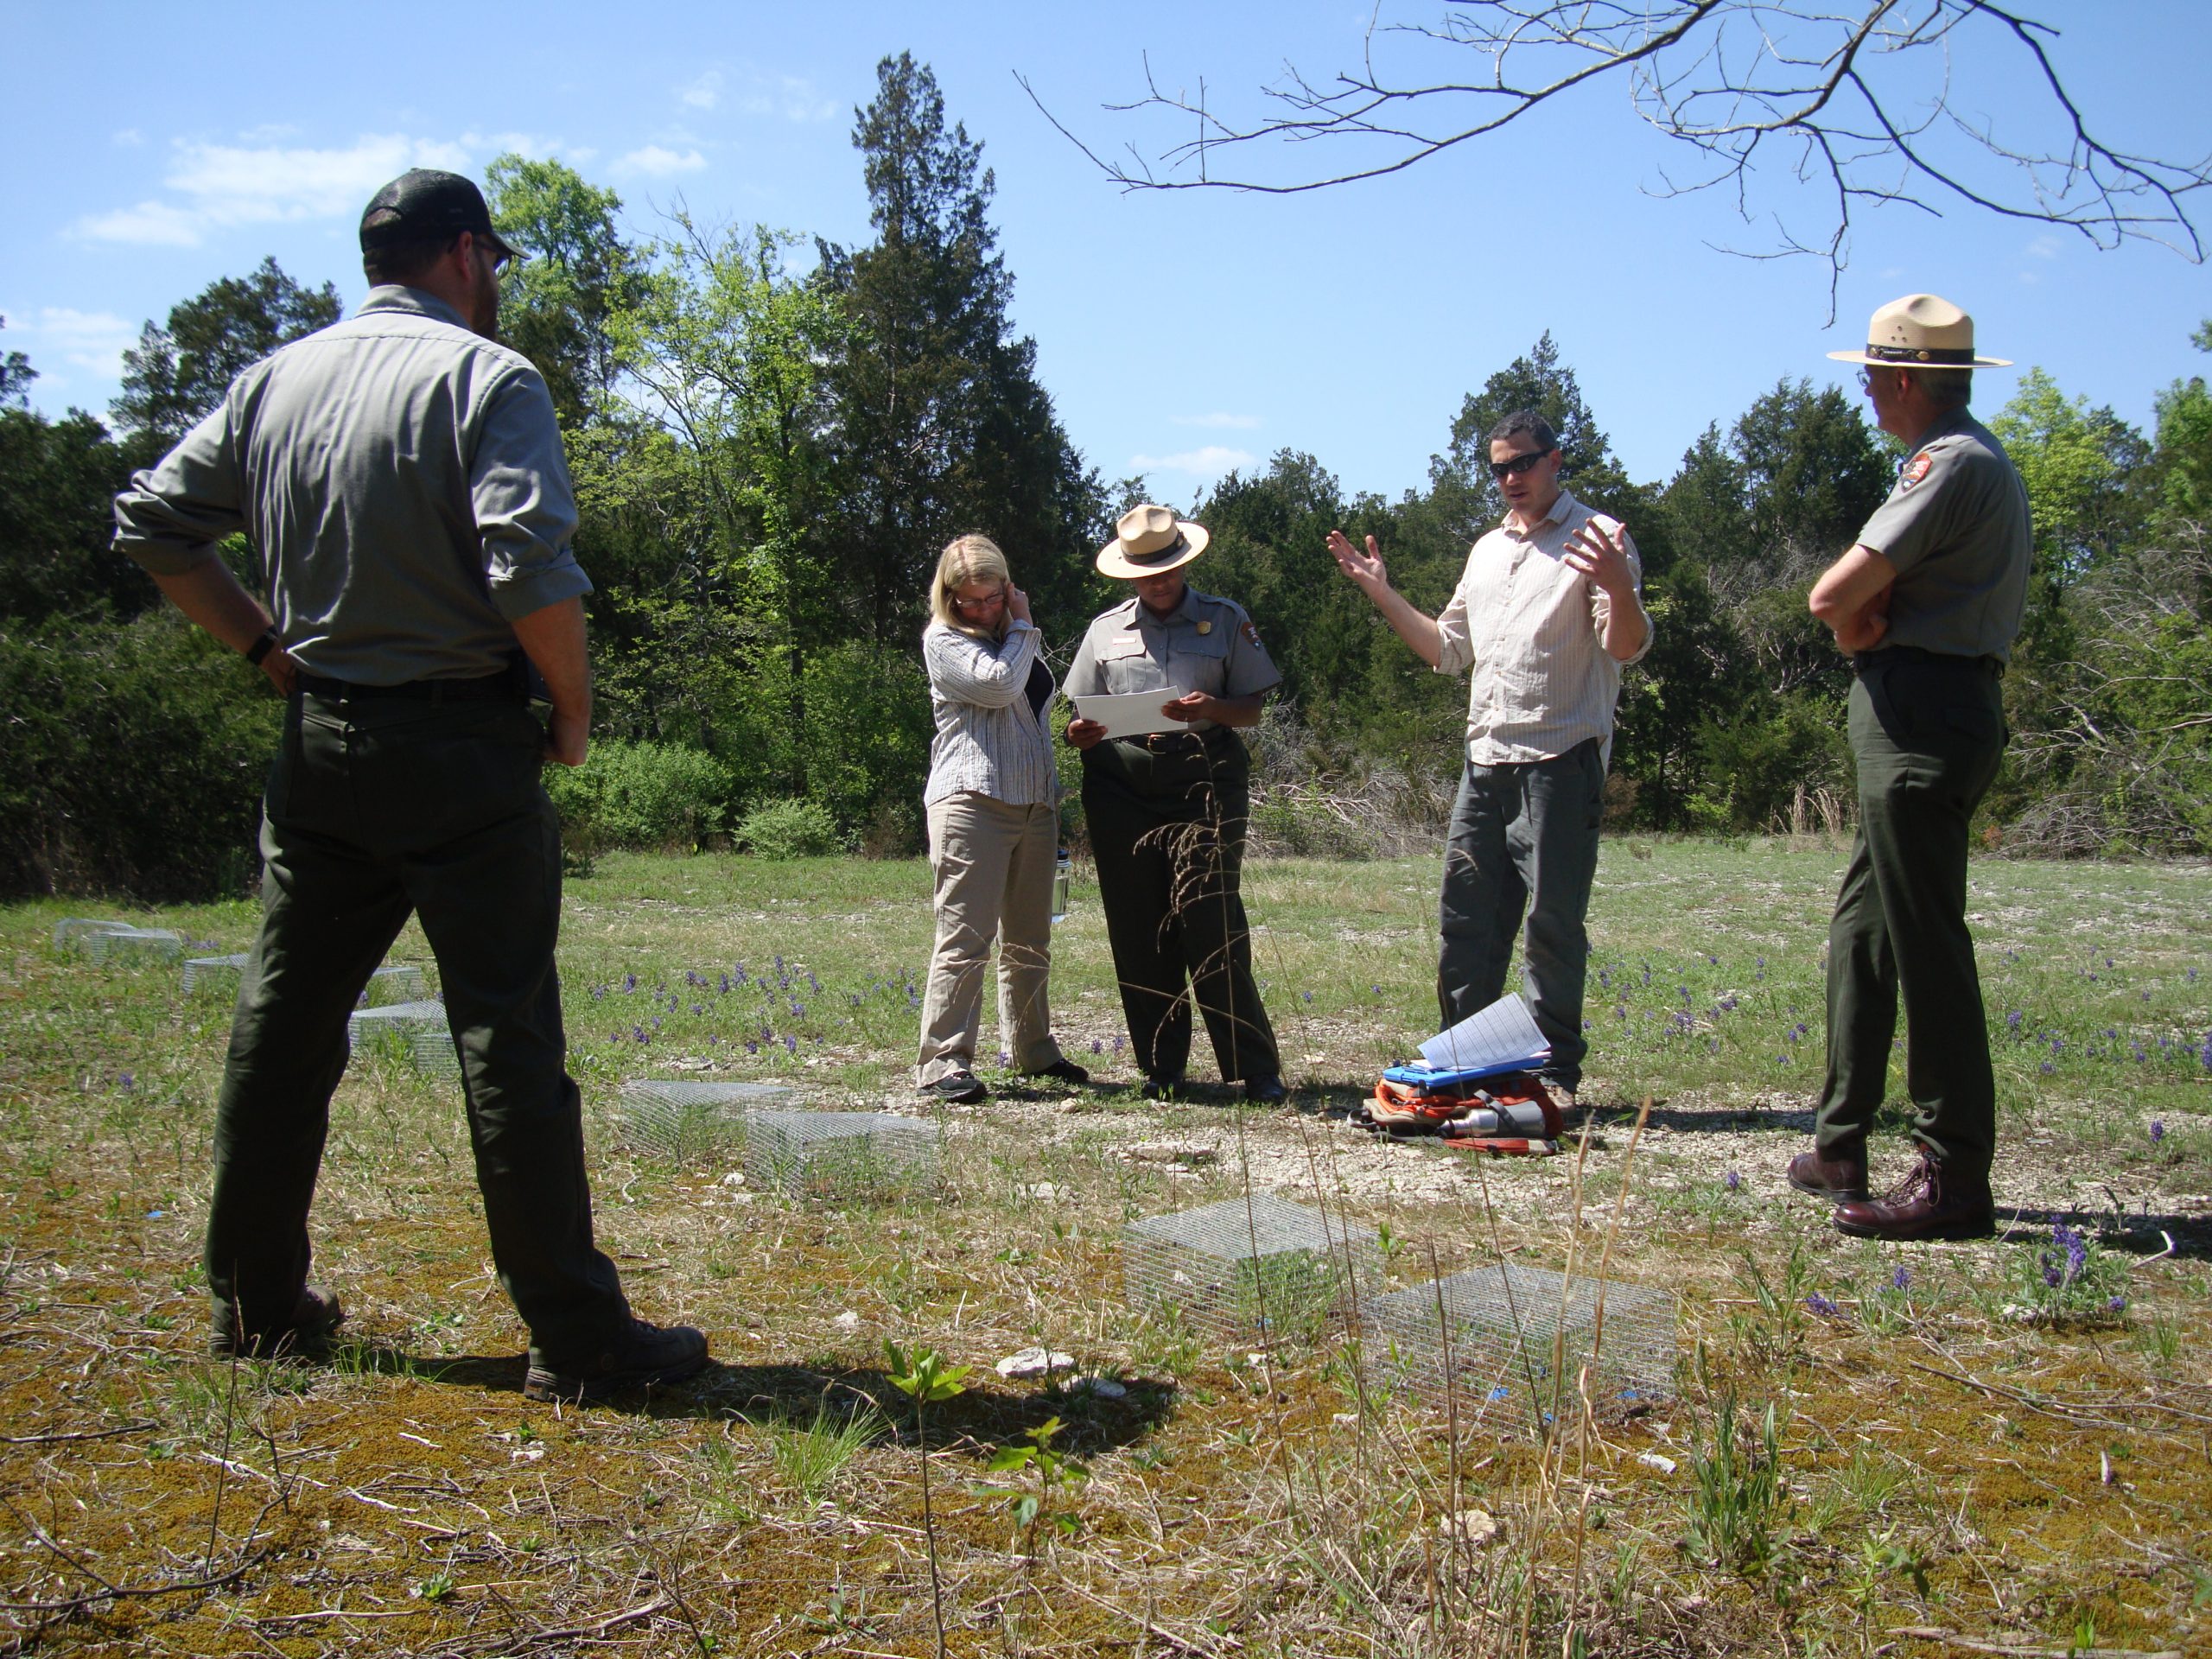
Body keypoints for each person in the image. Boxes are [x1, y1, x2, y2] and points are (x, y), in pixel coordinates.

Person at [110, 168, 708, 1402]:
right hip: (462, 749)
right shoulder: (491, 380)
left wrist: (264, 648)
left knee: (284, 1028)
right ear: (465, 255)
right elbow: (525, 561)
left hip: (321, 747)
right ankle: (577, 1339)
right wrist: (575, 714)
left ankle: (256, 1303)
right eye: (494, 260)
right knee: (504, 1035)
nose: (496, 283)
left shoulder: (275, 379)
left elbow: (154, 526)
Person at [1789, 294, 2029, 1242]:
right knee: (1865, 932)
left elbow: (1830, 594)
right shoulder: (1965, 461)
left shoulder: (1950, 462)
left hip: (1924, 714)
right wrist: (1857, 629)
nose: (1864, 393)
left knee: (1925, 945)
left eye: (1869, 375)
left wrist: (1850, 623)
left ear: (1903, 379)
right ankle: (1841, 1139)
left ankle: (1953, 1174)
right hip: (1919, 706)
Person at [1327, 411, 1650, 1105]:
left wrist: (1621, 586)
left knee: (1552, 924)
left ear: (1555, 461)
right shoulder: (1485, 551)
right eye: (1498, 468)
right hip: (1486, 762)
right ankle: (1470, 1067)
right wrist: (1380, 590)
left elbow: (1624, 646)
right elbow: (1447, 650)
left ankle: (1554, 1074)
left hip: (1561, 761)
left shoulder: (1599, 539)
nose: (1510, 479)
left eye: (1522, 464)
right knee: (1467, 921)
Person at [1064, 505, 1287, 1103]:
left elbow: (1252, 709)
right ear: (1128, 573)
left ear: (1184, 564)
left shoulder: (1224, 620)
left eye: (1167, 570)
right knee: (1139, 927)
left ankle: (1255, 1067)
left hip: (1202, 777)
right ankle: (1162, 1067)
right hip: (1121, 784)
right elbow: (1079, 714)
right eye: (1145, 573)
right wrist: (1079, 733)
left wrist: (1210, 707)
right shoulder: (1104, 631)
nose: (1158, 582)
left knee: (1209, 919)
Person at [914, 534, 1091, 1103]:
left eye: (993, 597)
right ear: (949, 598)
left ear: (1006, 585)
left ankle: (1034, 1050)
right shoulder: (944, 640)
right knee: (966, 939)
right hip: (972, 804)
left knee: (1031, 939)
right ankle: (943, 1063)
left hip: (1034, 803)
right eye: (970, 601)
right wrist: (1022, 621)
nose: (983, 609)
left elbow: (1033, 708)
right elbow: (999, 685)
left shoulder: (1011, 638)